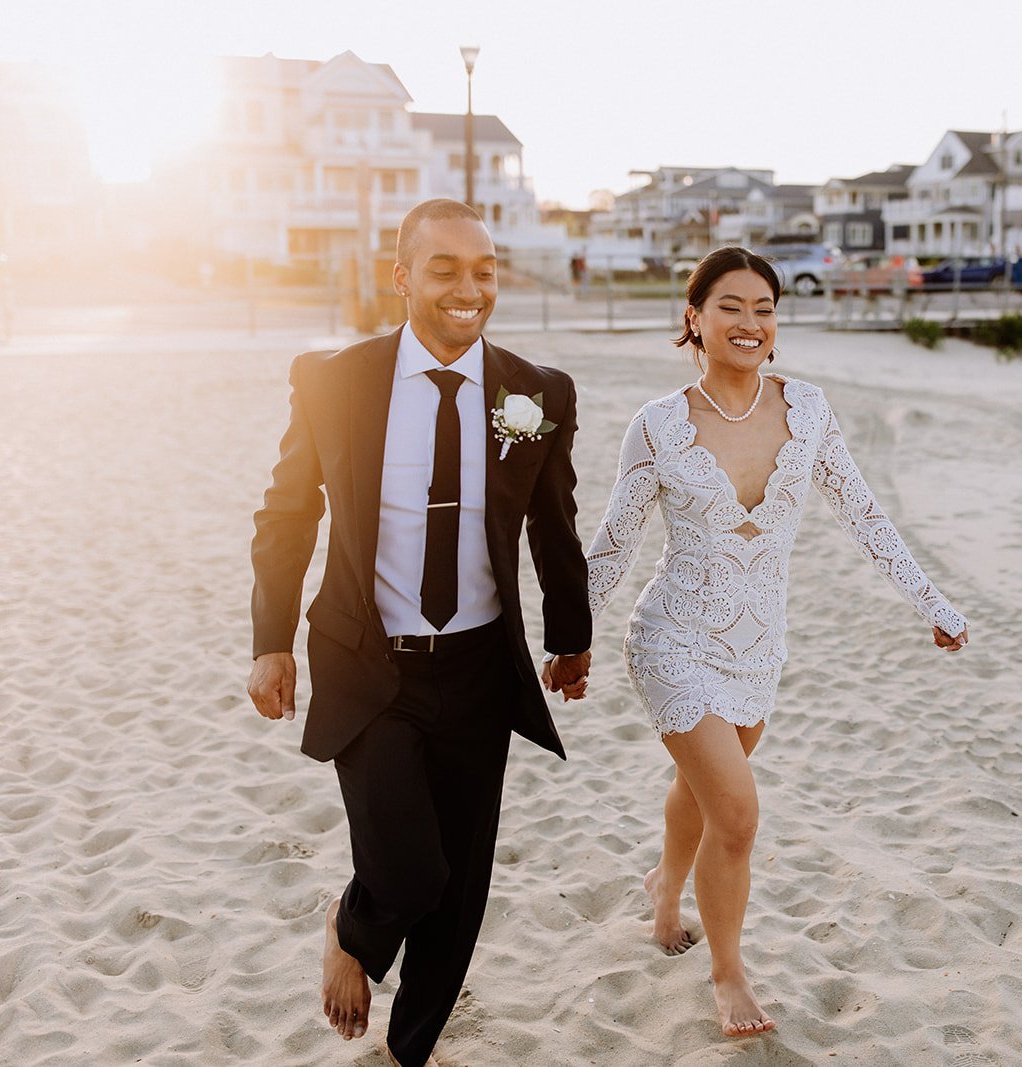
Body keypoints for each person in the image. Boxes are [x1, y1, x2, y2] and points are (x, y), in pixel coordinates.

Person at [584, 246, 968, 1037]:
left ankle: (665, 888)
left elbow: (865, 514)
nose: (750, 322)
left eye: (764, 307)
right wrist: (569, 641)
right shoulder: (657, 426)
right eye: (731, 306)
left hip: (760, 650)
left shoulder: (810, 411)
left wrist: (931, 601)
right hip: (672, 641)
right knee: (736, 811)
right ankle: (728, 974)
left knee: (701, 788)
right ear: (693, 318)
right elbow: (613, 546)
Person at [246, 198, 591, 1066]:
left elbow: (555, 525)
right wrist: (271, 639)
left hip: (478, 667)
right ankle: (352, 926)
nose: (468, 289)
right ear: (401, 277)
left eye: (485, 271)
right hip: (371, 664)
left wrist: (569, 633)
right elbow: (288, 513)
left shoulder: (535, 393)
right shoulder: (335, 382)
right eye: (445, 270)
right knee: (407, 873)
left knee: (460, 889)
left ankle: (408, 1052)